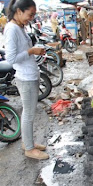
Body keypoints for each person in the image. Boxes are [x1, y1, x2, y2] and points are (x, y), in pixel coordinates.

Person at [4, 0, 49, 160]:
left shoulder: (20, 27)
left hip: (30, 74)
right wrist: (31, 51)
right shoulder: (12, 29)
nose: (31, 18)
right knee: (29, 113)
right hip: (25, 77)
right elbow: (11, 58)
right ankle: (29, 149)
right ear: (19, 11)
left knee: (28, 112)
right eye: (30, 14)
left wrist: (32, 51)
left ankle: (27, 142)